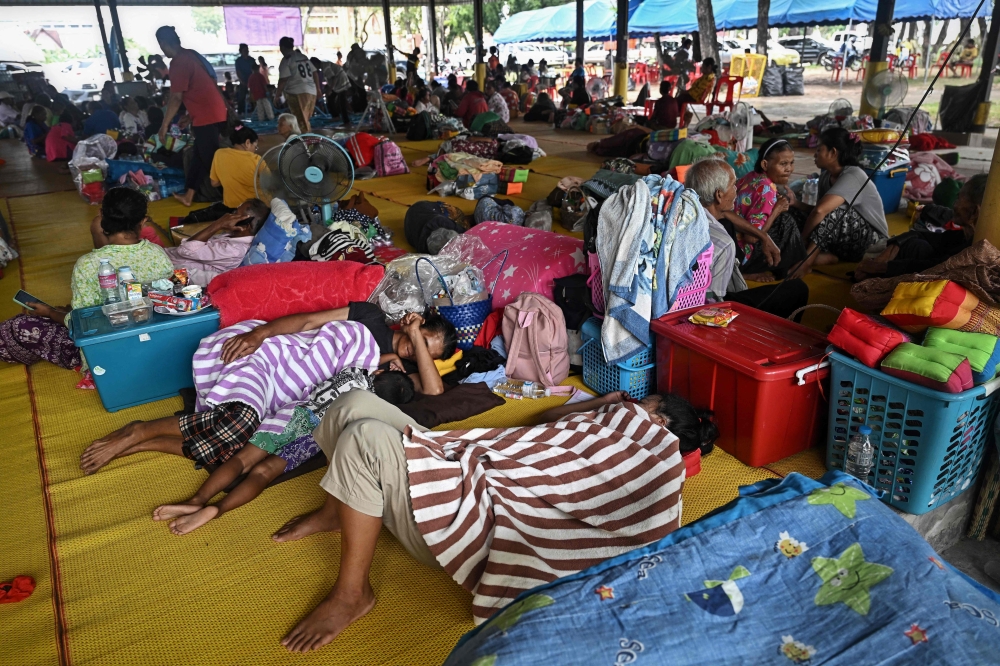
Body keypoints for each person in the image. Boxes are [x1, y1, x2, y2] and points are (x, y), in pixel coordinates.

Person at [270, 388, 715, 653]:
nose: (629, 406)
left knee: (363, 438)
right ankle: (340, 507)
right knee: (352, 401)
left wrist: (623, 414)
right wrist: (605, 403)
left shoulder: (650, 455)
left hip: (472, 518)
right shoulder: (603, 418)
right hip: (473, 463)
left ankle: (353, 593)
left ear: (656, 421)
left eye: (642, 403)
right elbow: (545, 423)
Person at [81, 307, 456, 474]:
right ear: (415, 320)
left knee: (235, 448)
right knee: (241, 420)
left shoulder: (400, 371)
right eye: (422, 337)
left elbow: (435, 393)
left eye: (427, 351)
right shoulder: (369, 317)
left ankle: (142, 442)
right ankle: (139, 430)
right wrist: (259, 333)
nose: (416, 349)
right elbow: (310, 321)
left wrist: (416, 340)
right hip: (273, 359)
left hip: (288, 396)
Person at [152, 369, 414, 536]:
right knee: (263, 473)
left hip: (296, 417)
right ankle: (217, 509)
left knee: (242, 460)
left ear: (380, 372)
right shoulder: (372, 409)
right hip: (315, 438)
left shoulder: (355, 374)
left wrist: (388, 362)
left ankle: (199, 500)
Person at [0, 188, 173, 370]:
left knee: (15, 326)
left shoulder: (88, 264)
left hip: (107, 351)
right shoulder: (158, 254)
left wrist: (50, 313)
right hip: (157, 341)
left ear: (101, 217)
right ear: (143, 221)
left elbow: (84, 324)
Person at [686, 158, 810, 317]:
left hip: (684, 300)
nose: (737, 189)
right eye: (733, 185)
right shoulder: (723, 243)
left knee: (728, 222)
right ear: (719, 195)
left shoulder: (680, 210)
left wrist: (764, 236)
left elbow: (725, 213)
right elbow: (713, 306)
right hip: (709, 311)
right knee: (797, 289)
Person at [790, 127, 889, 279]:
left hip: (870, 243)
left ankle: (806, 262)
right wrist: (795, 204)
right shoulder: (826, 177)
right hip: (843, 240)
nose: (815, 155)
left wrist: (803, 239)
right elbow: (817, 212)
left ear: (833, 152)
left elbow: (821, 212)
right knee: (794, 213)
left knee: (833, 212)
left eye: (819, 150)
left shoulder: (854, 175)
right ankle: (830, 256)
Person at [855, 173, 987, 280]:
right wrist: (890, 250)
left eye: (958, 199)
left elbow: (940, 266)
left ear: (974, 212)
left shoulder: (979, 248)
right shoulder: (965, 235)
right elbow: (929, 236)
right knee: (914, 244)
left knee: (914, 254)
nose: (954, 205)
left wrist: (883, 267)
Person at [155, 26, 229, 208]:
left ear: (163, 43)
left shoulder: (179, 62)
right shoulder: (190, 55)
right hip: (212, 111)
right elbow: (202, 86)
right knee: (199, 154)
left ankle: (230, 195)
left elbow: (176, 97)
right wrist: (190, 115)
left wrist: (164, 125)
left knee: (209, 158)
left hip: (208, 115)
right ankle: (189, 195)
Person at [733, 138, 807, 281]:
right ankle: (789, 268)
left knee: (787, 213)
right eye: (783, 164)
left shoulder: (751, 176)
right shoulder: (767, 191)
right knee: (786, 221)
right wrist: (776, 211)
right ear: (765, 164)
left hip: (733, 248)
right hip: (743, 256)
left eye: (791, 163)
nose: (789, 169)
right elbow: (752, 237)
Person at [164, 199, 269, 286]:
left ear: (246, 225)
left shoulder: (234, 250)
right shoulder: (234, 235)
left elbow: (184, 250)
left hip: (167, 268)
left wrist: (218, 224)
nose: (229, 215)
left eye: (235, 213)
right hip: (167, 256)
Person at [209, 125, 262, 209]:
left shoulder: (219, 154)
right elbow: (270, 184)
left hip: (232, 208)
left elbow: (214, 183)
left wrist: (230, 177)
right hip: (255, 209)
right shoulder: (257, 159)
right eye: (255, 147)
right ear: (247, 143)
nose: (254, 150)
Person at [276, 36, 321, 133]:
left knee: (300, 121)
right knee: (304, 120)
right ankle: (305, 140)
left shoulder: (287, 60)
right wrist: (318, 89)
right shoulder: (303, 57)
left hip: (297, 92)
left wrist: (277, 94)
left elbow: (283, 79)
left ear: (282, 47)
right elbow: (315, 73)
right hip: (311, 91)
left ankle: (306, 143)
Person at [676, 57, 717, 126]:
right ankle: (685, 114)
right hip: (693, 95)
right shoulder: (705, 76)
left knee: (679, 99)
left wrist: (686, 92)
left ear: (709, 67)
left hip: (697, 97)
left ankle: (684, 115)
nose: (701, 69)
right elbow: (695, 89)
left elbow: (698, 91)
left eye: (703, 67)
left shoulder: (708, 78)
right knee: (679, 97)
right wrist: (686, 91)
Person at [319, 59, 353, 127]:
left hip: (340, 82)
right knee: (331, 99)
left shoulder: (325, 67)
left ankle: (347, 122)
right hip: (338, 83)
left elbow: (333, 78)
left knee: (341, 102)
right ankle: (336, 116)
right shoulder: (324, 66)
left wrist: (330, 89)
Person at [234, 43, 257, 116]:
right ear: (241, 51)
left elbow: (255, 70)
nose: (246, 51)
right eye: (244, 50)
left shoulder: (252, 60)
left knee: (255, 96)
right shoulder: (238, 61)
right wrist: (243, 81)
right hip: (243, 81)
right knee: (241, 97)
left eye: (247, 50)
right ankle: (240, 112)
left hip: (252, 81)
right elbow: (238, 72)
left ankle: (255, 110)